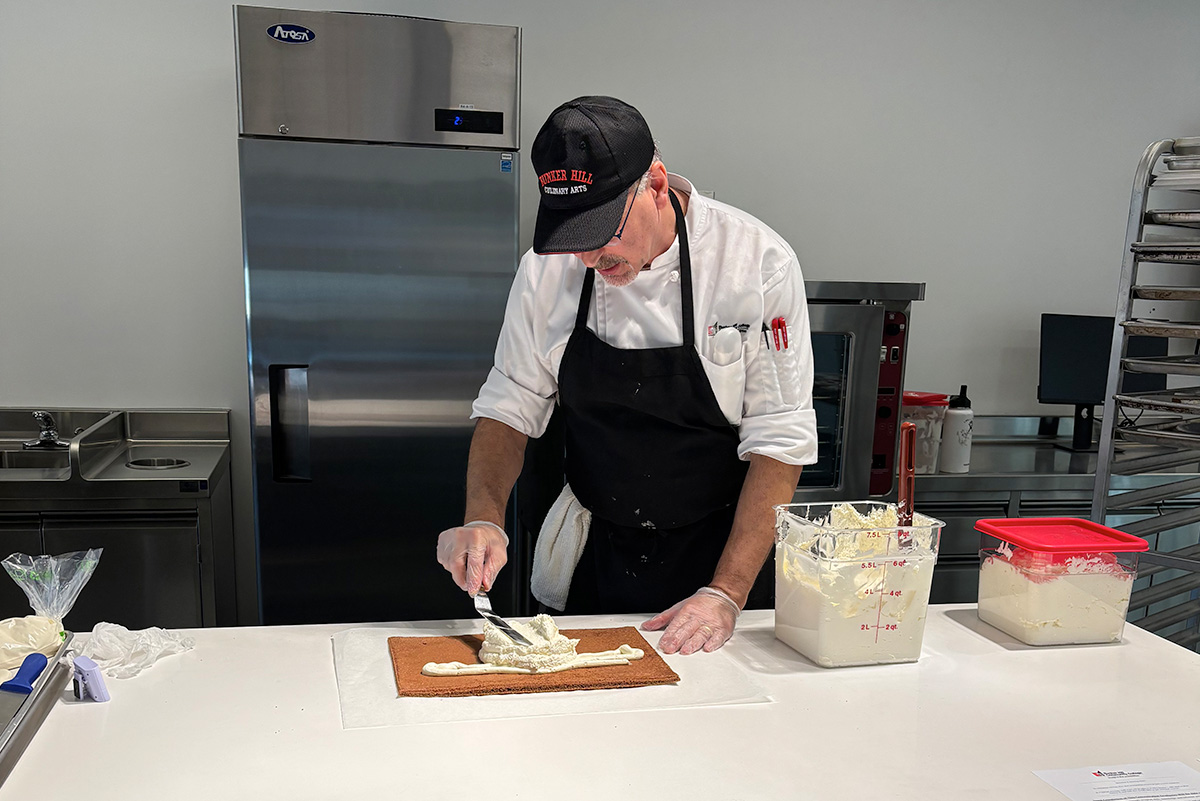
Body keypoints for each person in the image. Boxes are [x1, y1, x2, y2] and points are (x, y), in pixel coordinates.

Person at [436, 96, 816, 655]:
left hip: (721, 555)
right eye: (573, 234)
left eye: (603, 231)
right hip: (597, 552)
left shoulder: (756, 262)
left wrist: (726, 593)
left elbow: (779, 441)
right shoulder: (544, 270)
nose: (589, 258)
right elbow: (509, 406)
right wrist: (484, 519)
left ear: (657, 185)